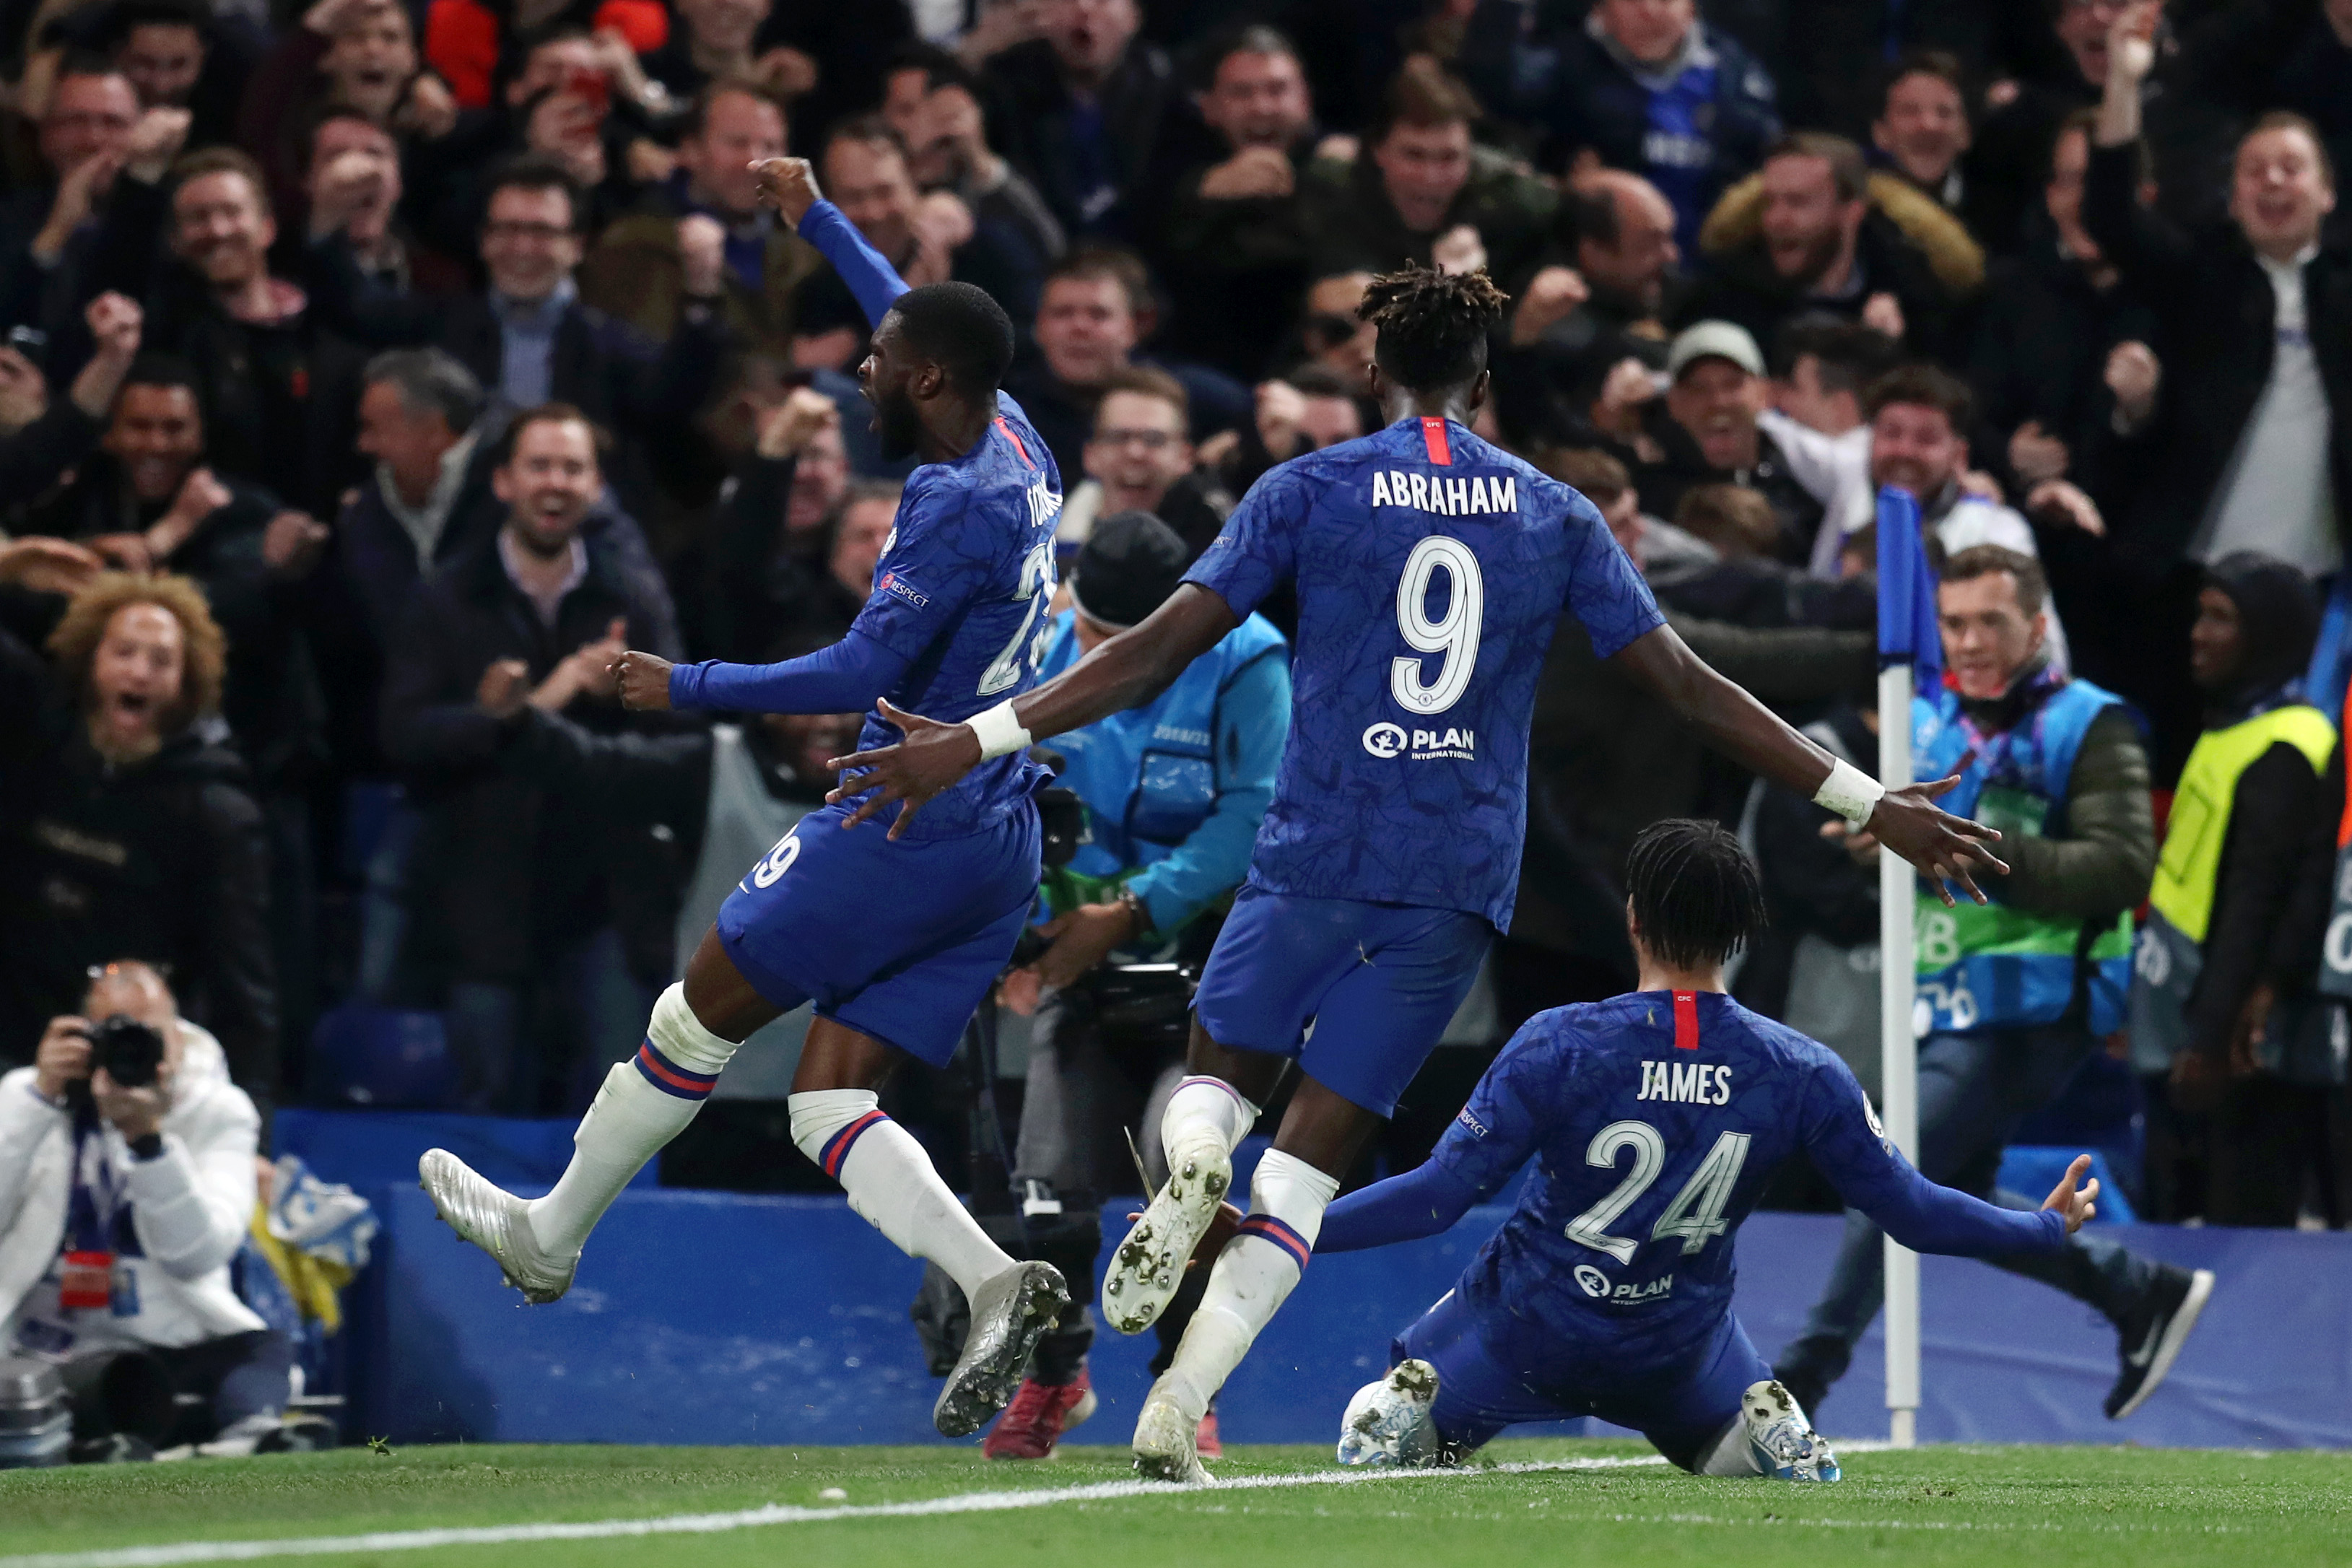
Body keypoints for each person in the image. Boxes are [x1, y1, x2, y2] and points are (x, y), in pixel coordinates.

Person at [825, 261, 2005, 1483]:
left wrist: (974, 737)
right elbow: (1689, 688)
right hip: (1450, 881)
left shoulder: (1306, 487)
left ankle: (1197, 1155)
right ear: (1483, 386)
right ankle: (1181, 1399)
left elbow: (1150, 652)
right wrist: (1871, 801)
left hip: (1314, 852)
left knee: (1215, 1083)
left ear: (1372, 368)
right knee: (1304, 1177)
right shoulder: (1554, 512)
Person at [417, 154, 1076, 1445]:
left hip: (896, 821)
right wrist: (820, 219)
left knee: (692, 1017)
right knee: (828, 1101)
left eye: (879, 363)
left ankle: (550, 1237)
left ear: (926, 381)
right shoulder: (1010, 427)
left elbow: (860, 670)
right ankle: (994, 1280)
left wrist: (688, 683)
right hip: (995, 832)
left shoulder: (952, 502)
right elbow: (911, 310)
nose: (859, 373)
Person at [1320, 819, 2101, 1480]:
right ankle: (1758, 1424)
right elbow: (1915, 1213)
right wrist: (2041, 1227)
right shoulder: (1801, 1069)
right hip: (1680, 1352)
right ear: (1741, 932)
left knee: (1390, 1422)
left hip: (1527, 1331)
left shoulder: (1559, 1043)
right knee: (1765, 1457)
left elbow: (1435, 1198)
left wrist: (1288, 1229)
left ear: (1633, 917)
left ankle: (1410, 1401)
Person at [1772, 546, 2207, 1426]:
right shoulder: (1926, 717)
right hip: (1940, 997)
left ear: (2037, 628)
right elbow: (1922, 850)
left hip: (2039, 1006)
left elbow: (2125, 867)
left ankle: (1794, 1388)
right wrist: (1881, 843)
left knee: (1885, 1168)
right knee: (1944, 1202)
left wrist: (1969, 847)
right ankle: (2137, 1292)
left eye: (1990, 623)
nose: (1969, 642)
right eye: (1954, 624)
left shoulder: (2090, 722)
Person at [986, 510, 1289, 1461]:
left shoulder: (1247, 660)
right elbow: (997, 798)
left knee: (1183, 1180)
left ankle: (1183, 1389)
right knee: (1048, 1192)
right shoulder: (1039, 648)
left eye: (1123, 645)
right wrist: (1008, 939)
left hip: (1205, 980)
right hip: (1071, 968)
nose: (1096, 657)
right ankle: (1054, 1376)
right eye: (1086, 631)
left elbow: (1256, 817)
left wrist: (1128, 911)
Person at [377, 404, 683, 1113]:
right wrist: (510, 715)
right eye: (539, 466)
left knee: (623, 1114)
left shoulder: (632, 595)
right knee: (476, 1115)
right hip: (480, 901)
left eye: (573, 469)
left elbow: (681, 739)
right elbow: (404, 734)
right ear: (503, 482)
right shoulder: (448, 595)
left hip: (603, 897)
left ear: (596, 487)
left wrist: (625, 696)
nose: (556, 483)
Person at [0, 961, 319, 1460]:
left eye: (148, 1035)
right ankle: (102, 1447)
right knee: (46, 1385)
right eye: (112, 1034)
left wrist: (149, 1143)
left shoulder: (218, 1110)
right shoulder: (30, 1095)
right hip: (44, 1347)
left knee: (262, 1350)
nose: (129, 1051)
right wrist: (38, 1102)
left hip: (166, 1347)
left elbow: (197, 1256)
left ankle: (250, 1436)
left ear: (179, 1037)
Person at [0, 572, 276, 1107]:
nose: (139, 672)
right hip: (16, 1053)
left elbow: (242, 988)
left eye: (161, 660)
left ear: (187, 682)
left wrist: (252, 1132)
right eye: (124, 652)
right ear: (90, 660)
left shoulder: (215, 811)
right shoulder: (32, 754)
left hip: (132, 1075)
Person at [2132, 555, 2336, 1226]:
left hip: (2232, 1048)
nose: (2198, 633)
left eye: (2221, 618)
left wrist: (2212, 1037)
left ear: (2268, 634)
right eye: (2201, 614)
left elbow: (2260, 902)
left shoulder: (2288, 745)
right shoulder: (2232, 726)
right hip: (2181, 1014)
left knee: (2236, 1234)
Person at [1458, 0, 1780, 258]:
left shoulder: (1735, 75)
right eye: (1633, 1)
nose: (1650, 11)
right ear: (1602, 7)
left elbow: (1768, 156)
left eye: (1665, 0)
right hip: (1595, 264)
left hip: (1713, 264)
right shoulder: (1564, 65)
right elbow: (1494, 91)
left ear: (1692, 7)